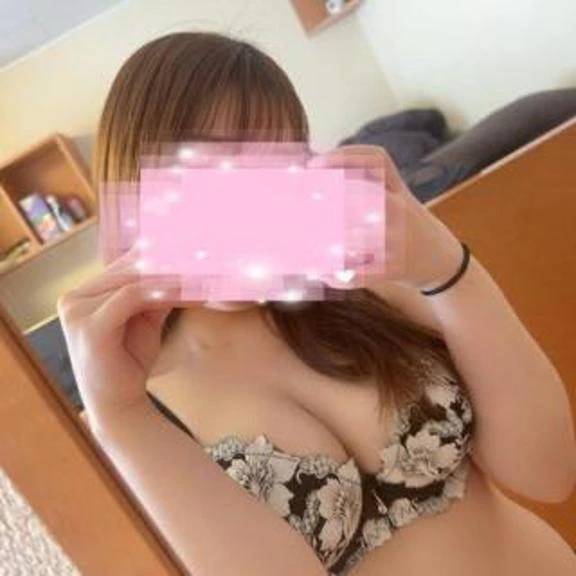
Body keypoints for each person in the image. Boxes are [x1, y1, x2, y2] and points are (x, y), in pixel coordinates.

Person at [60, 31, 576, 576]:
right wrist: (121, 418)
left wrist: (449, 269)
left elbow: (549, 473)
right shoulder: (136, 408)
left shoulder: (367, 287)